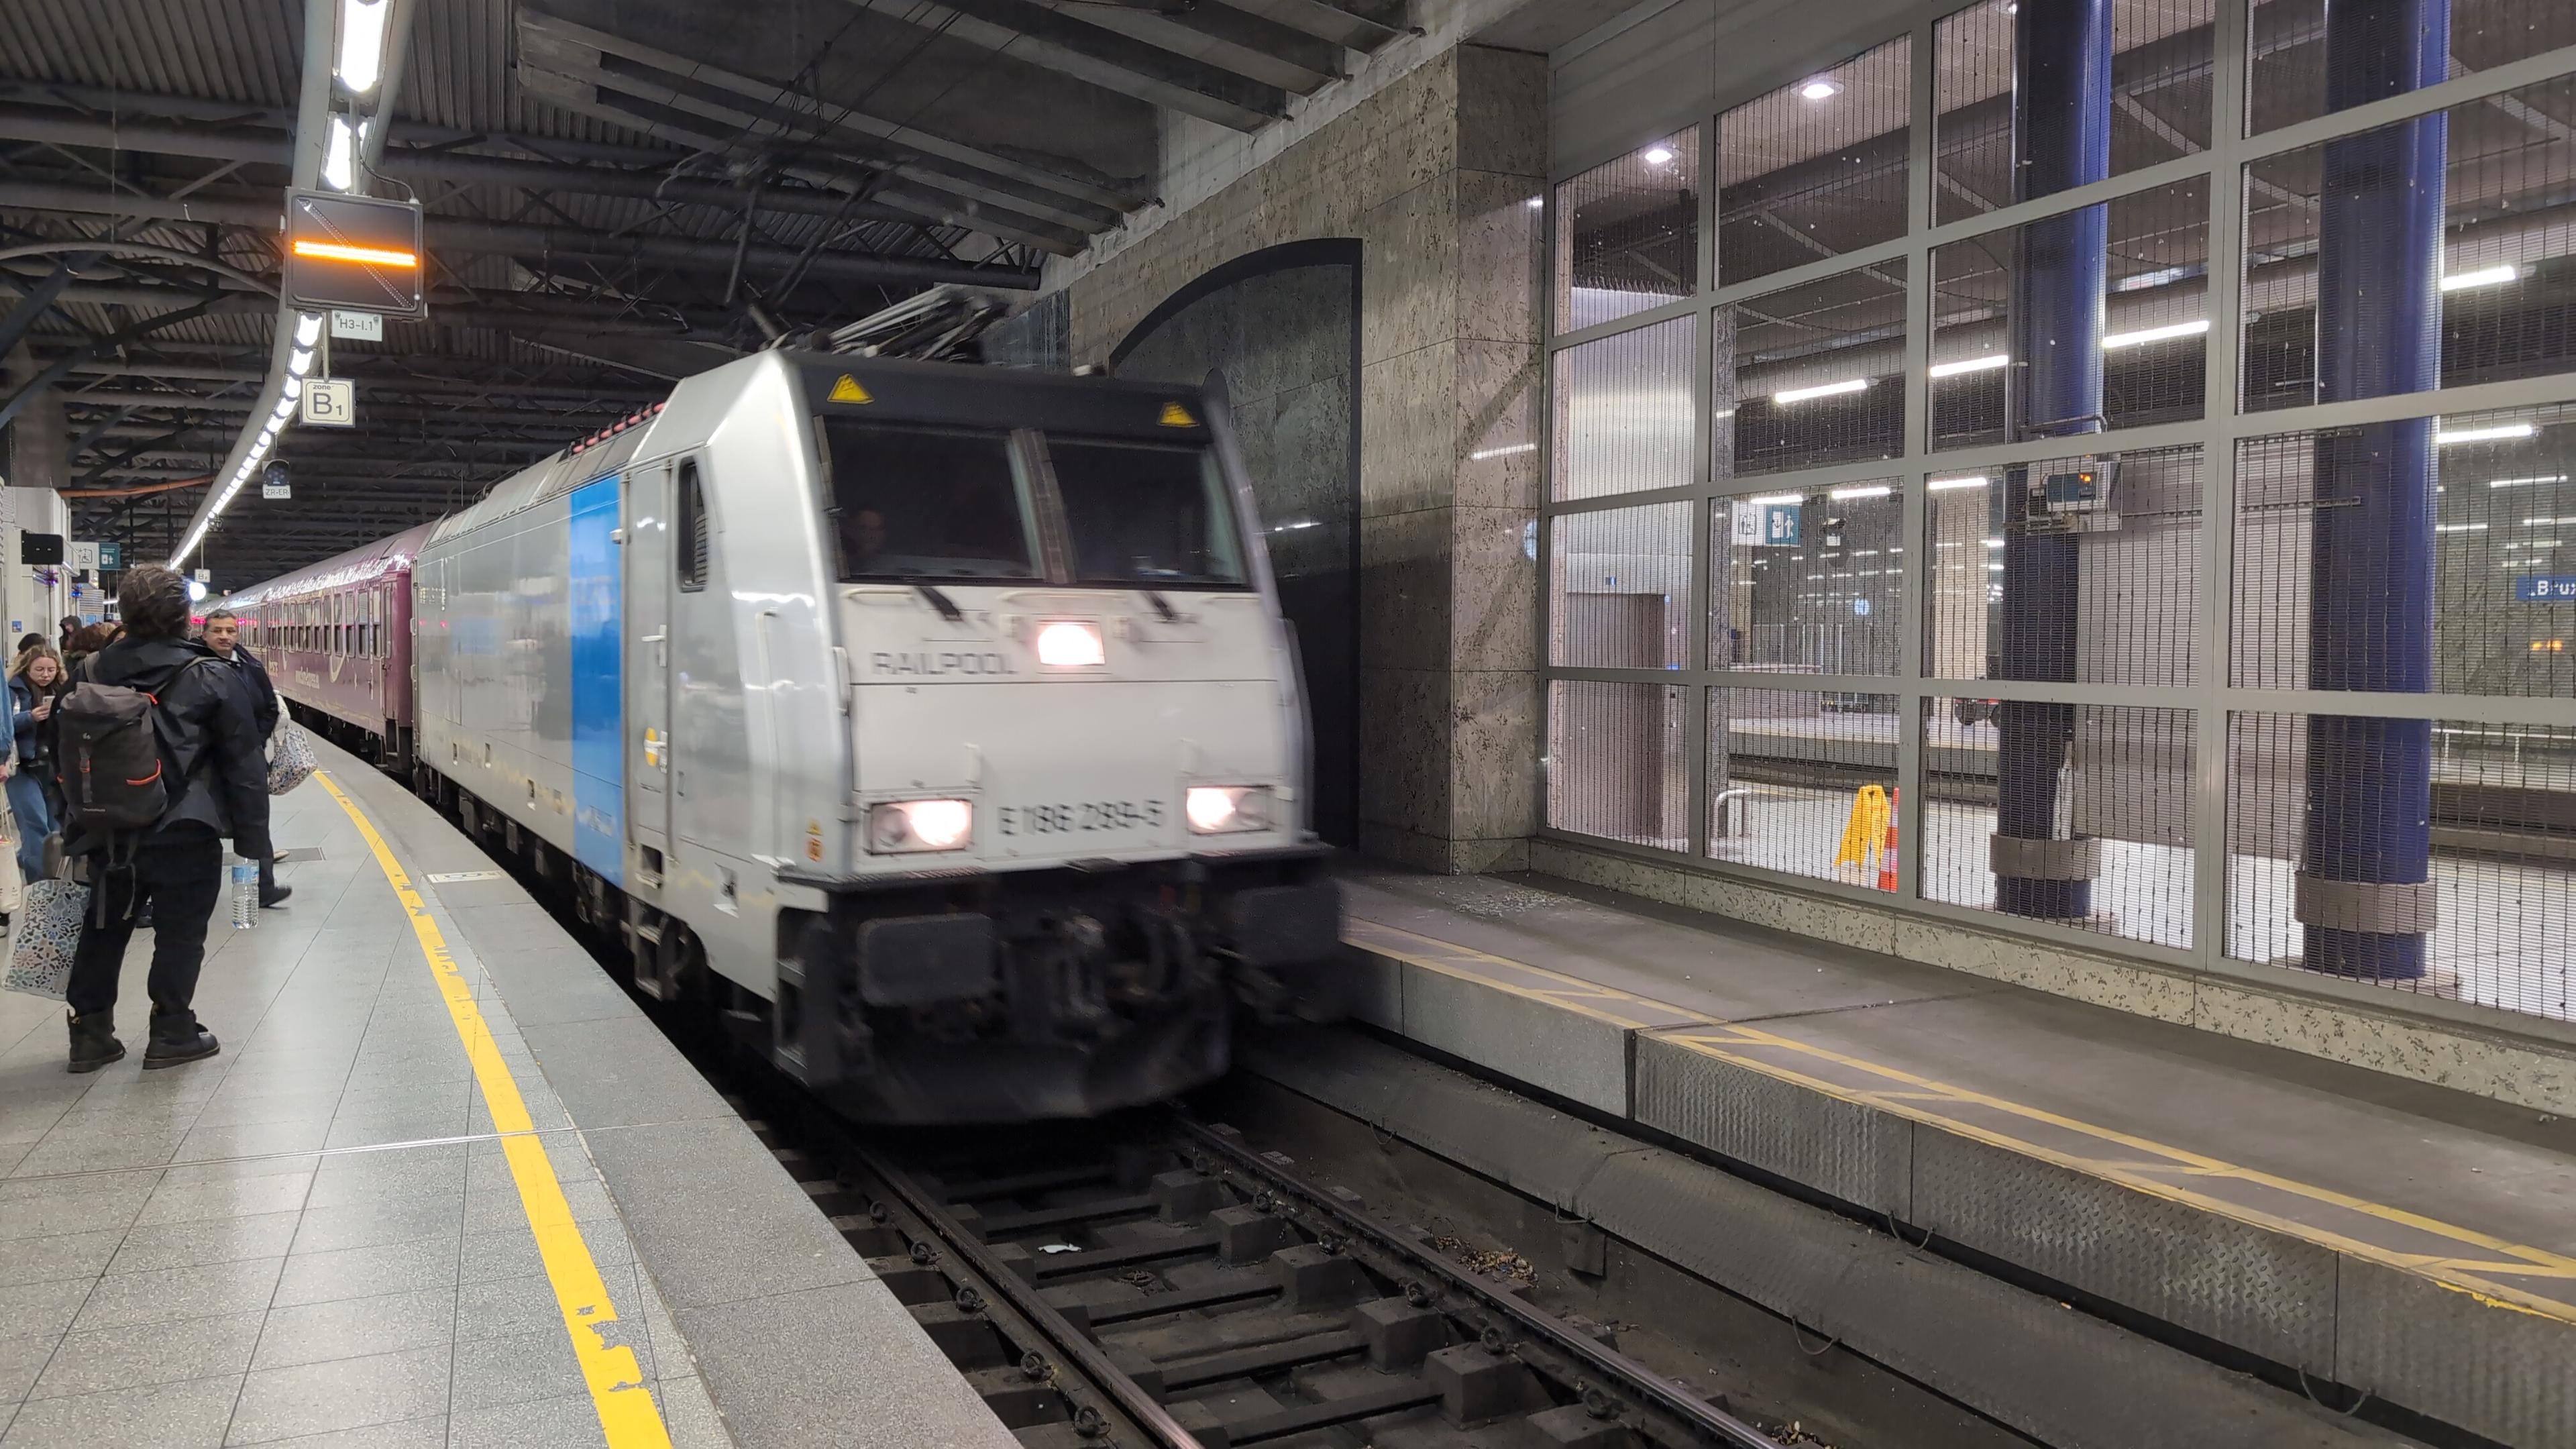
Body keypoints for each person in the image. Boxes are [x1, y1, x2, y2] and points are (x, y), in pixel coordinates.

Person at [58, 566, 272, 1073]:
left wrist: (75, 819)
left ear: (126, 613)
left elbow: (61, 751)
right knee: (180, 933)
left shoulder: (90, 670)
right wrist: (252, 843)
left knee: (104, 927)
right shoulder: (211, 674)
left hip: (109, 828)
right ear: (185, 616)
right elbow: (243, 764)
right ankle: (172, 1029)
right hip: (186, 827)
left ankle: (89, 1034)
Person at [199, 608, 288, 907]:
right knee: (202, 827)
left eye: (230, 631)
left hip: (246, 760)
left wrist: (255, 740)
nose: (225, 636)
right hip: (204, 762)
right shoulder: (194, 665)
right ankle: (197, 893)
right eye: (218, 631)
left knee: (253, 829)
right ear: (204, 634)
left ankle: (258, 890)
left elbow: (270, 707)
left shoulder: (250, 666)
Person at [7, 645, 64, 881]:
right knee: (35, 827)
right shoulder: (12, 690)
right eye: (39, 669)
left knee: (56, 828)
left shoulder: (63, 689)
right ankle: (39, 885)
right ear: (27, 668)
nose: (45, 675)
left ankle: (55, 880)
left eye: (51, 669)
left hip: (53, 766)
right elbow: (5, 724)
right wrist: (30, 717)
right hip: (23, 767)